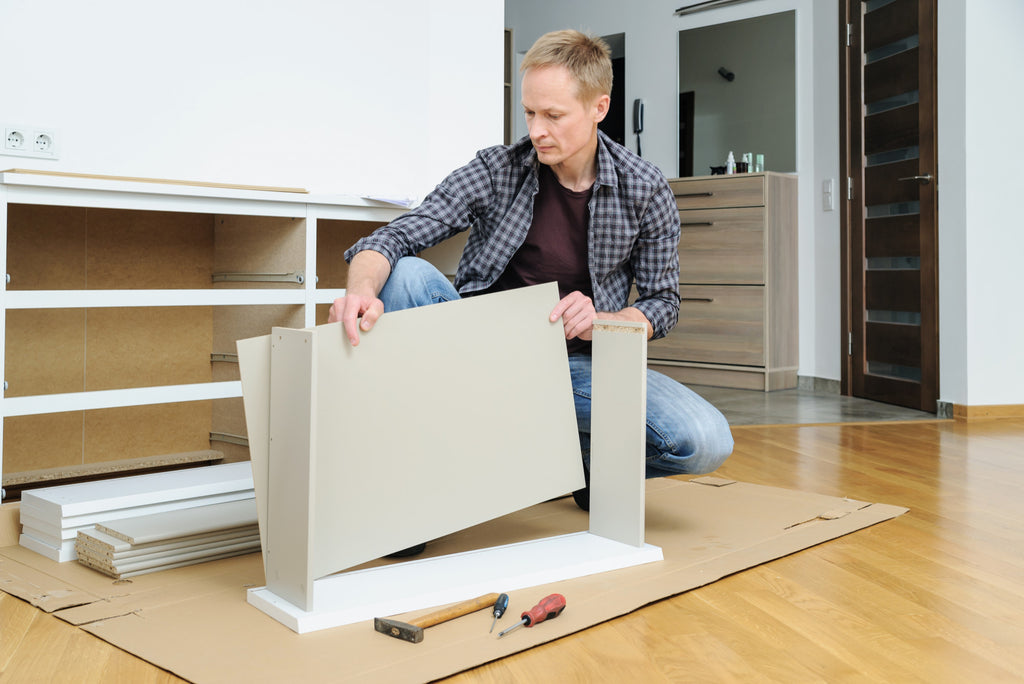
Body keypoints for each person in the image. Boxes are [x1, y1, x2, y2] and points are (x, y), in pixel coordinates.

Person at [329, 29, 733, 517]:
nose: (537, 130)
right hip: (475, 356)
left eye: (554, 115)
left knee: (704, 439)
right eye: (530, 113)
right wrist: (360, 292)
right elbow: (394, 236)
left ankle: (581, 469)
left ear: (598, 108)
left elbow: (662, 303)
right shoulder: (499, 168)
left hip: (575, 365)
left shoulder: (645, 188)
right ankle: (417, 476)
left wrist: (606, 319)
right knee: (408, 276)